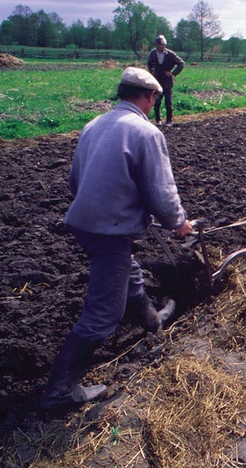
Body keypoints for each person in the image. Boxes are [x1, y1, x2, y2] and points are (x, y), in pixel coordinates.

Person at [41, 67, 194, 411]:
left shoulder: (94, 125)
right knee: (103, 313)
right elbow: (162, 192)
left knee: (128, 270)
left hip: (87, 223)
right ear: (150, 97)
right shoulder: (146, 132)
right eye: (154, 97)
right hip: (108, 230)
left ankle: (152, 321)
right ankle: (59, 392)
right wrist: (179, 223)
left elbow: (74, 180)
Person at [147, 34, 185, 126]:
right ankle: (158, 120)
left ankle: (169, 120)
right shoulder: (153, 53)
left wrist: (173, 73)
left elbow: (181, 63)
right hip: (157, 80)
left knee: (168, 101)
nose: (161, 46)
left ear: (165, 45)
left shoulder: (170, 54)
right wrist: (152, 72)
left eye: (162, 44)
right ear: (156, 45)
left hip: (167, 81)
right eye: (159, 44)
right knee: (157, 101)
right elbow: (149, 63)